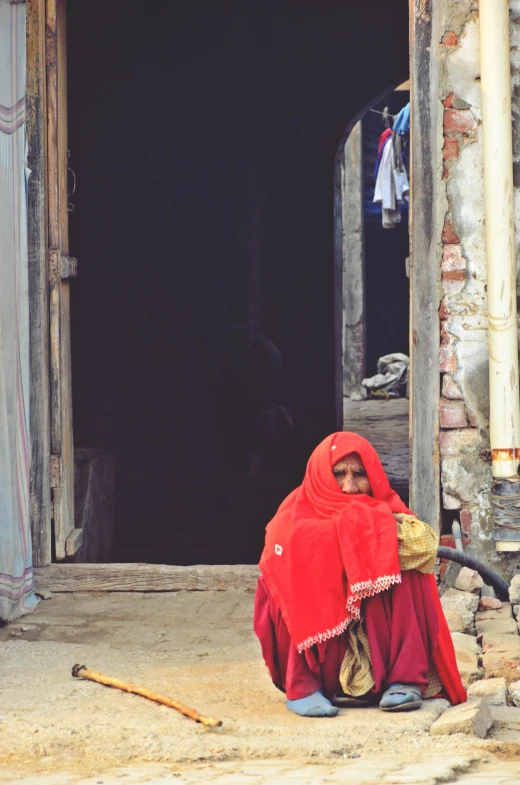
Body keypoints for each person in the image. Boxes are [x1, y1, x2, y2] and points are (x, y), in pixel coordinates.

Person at [254, 432, 466, 717]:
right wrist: (349, 541)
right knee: (288, 568)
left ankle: (404, 679)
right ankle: (302, 686)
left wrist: (363, 532)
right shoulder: (292, 519)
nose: (349, 487)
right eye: (338, 473)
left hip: (381, 658)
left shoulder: (382, 512)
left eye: (360, 474)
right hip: (324, 662)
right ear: (320, 475)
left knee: (408, 569)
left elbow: (425, 546)